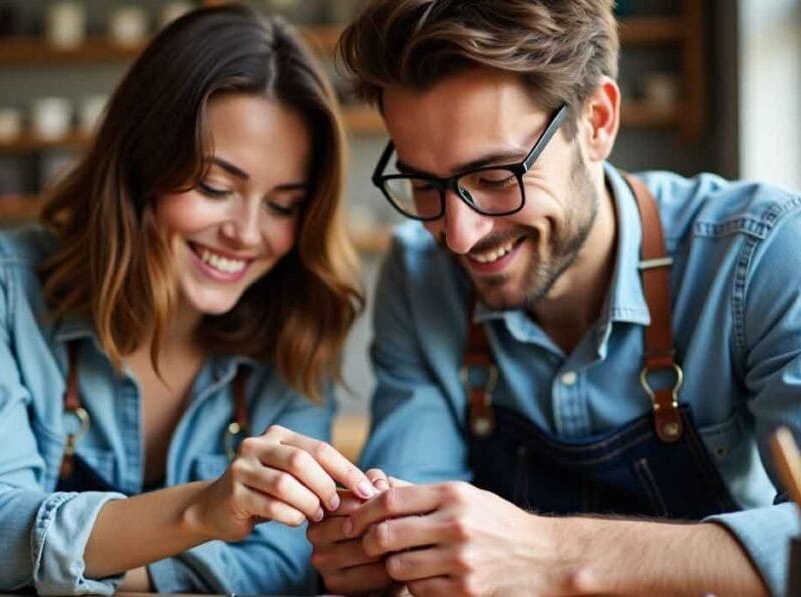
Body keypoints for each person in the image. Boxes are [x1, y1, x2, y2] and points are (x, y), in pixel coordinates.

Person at [307, 1, 799, 595]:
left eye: (495, 178)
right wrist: (375, 549)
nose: (458, 235)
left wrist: (552, 554)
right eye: (424, 185)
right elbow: (411, 520)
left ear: (597, 122)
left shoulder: (761, 251)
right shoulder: (418, 275)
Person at [0, 5, 373, 595]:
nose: (245, 232)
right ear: (141, 162)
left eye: (282, 204)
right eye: (216, 187)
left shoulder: (300, 317)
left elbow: (275, 572)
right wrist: (201, 513)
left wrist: (77, 568)